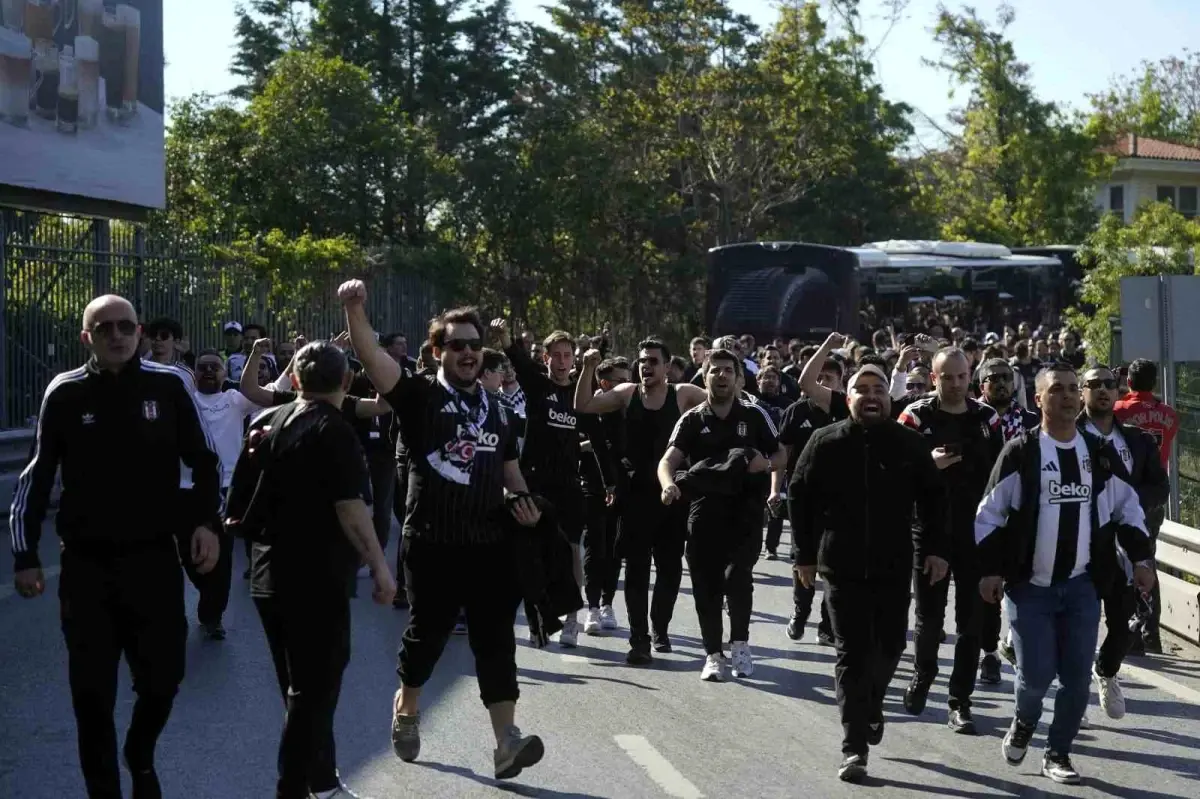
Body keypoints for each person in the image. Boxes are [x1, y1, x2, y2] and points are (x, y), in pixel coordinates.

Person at [9, 294, 222, 798]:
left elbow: (205, 460)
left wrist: (206, 524)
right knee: (91, 696)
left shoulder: (170, 384)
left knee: (164, 680)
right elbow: (36, 478)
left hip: (153, 562)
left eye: (125, 326)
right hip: (86, 569)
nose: (116, 335)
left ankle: (140, 752)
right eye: (103, 328)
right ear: (87, 337)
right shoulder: (64, 393)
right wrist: (24, 555)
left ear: (141, 331)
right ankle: (103, 789)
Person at [339, 281, 547, 780]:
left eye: (475, 345)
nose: (469, 353)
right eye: (457, 345)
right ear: (438, 352)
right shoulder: (418, 394)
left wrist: (525, 506)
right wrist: (355, 309)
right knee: (427, 637)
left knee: (495, 640)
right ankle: (407, 709)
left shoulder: (499, 409)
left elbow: (510, 472)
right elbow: (371, 360)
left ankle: (505, 741)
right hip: (432, 541)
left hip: (489, 543)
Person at [976, 363, 1155, 786]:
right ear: (1038, 399)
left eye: (1074, 389)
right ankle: (1024, 720)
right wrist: (989, 571)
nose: (1069, 396)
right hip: (1030, 588)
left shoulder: (1096, 453)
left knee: (1076, 678)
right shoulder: (1022, 452)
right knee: (1036, 676)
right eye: (1057, 389)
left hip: (1081, 586)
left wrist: (1142, 560)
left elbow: (1126, 507)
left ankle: (1058, 752)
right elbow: (989, 516)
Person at [234, 341, 397, 799]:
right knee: (314, 692)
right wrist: (381, 569)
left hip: (268, 576)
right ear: (346, 382)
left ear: (296, 379)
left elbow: (239, 501)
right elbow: (352, 509)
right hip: (315, 579)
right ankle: (291, 789)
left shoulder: (267, 421)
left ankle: (322, 781)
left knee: (301, 689)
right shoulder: (334, 430)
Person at [789, 364, 948, 783]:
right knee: (852, 654)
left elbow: (934, 500)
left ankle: (872, 705)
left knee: (892, 644)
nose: (872, 396)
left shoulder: (909, 444)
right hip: (839, 565)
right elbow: (799, 497)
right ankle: (853, 747)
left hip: (893, 563)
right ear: (849, 398)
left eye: (879, 389)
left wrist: (935, 550)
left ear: (890, 399)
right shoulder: (824, 442)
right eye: (862, 389)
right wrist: (803, 556)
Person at [574, 340, 707, 664]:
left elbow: (721, 403)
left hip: (672, 494)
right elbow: (584, 405)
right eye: (642, 361)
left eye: (653, 361)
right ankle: (639, 639)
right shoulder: (626, 394)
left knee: (670, 568)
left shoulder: (684, 394)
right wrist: (589, 367)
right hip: (635, 496)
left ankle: (659, 627)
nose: (646, 366)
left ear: (666, 366)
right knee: (635, 570)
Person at [658, 348, 786, 680]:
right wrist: (668, 485)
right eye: (715, 370)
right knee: (706, 585)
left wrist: (767, 465)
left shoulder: (755, 415)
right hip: (704, 510)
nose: (722, 375)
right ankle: (713, 654)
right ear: (705, 375)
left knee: (737, 576)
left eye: (728, 370)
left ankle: (740, 644)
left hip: (745, 510)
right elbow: (668, 461)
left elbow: (780, 453)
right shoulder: (692, 418)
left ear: (739, 377)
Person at [898, 348, 1003, 734]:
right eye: (948, 378)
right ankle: (923, 675)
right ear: (933, 378)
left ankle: (960, 700)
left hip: (976, 534)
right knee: (929, 619)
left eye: (962, 377)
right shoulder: (915, 416)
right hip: (929, 532)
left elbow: (1002, 478)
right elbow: (894, 467)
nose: (956, 384)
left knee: (971, 623)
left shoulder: (987, 419)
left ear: (970, 376)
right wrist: (930, 463)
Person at [491, 321, 591, 647]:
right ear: (546, 358)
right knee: (529, 551)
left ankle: (573, 618)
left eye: (568, 356)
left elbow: (599, 435)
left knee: (572, 549)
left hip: (569, 485)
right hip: (534, 482)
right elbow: (518, 360)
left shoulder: (580, 393)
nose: (562, 362)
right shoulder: (537, 386)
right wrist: (506, 338)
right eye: (556, 355)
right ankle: (537, 618)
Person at [1077, 365, 1168, 719]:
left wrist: (1128, 503)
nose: (1103, 390)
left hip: (1124, 545)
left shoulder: (1138, 439)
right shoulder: (1066, 436)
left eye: (1109, 384)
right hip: (1080, 544)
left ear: (1118, 391)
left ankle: (1106, 670)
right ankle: (1071, 690)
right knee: (1077, 621)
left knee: (1123, 624)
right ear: (1081, 392)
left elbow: (1160, 486)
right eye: (1094, 384)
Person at [776, 355, 846, 641]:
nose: (822, 382)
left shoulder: (846, 409)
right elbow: (783, 454)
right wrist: (774, 488)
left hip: (839, 503)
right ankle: (800, 612)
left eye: (828, 378)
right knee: (803, 562)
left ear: (841, 381)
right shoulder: (795, 412)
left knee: (835, 565)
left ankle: (828, 625)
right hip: (803, 501)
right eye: (818, 377)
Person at [1112, 357, 1178, 653]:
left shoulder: (1121, 410)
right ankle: (1151, 631)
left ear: (1129, 382)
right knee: (1147, 559)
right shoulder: (1170, 415)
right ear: (1154, 382)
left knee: (1126, 563)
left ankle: (1134, 631)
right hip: (1155, 497)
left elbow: (1109, 414)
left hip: (1126, 495)